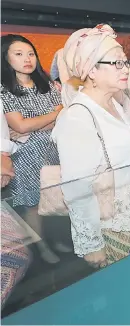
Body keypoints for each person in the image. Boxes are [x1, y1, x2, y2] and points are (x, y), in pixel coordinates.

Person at [52, 24, 130, 268]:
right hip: (116, 227)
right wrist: (92, 245)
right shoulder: (77, 116)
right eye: (117, 63)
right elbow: (77, 189)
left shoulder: (116, 105)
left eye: (126, 62)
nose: (126, 69)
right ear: (91, 70)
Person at [1, 34, 67, 264]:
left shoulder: (48, 85)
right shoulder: (4, 91)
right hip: (26, 157)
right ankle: (42, 246)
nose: (27, 59)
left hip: (55, 151)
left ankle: (57, 238)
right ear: (5, 59)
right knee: (34, 205)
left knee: (57, 199)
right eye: (18, 54)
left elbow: (65, 117)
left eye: (30, 54)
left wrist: (33, 125)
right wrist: (55, 113)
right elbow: (19, 125)